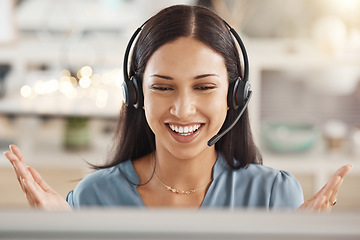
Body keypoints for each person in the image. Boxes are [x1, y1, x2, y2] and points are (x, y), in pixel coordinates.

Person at [4, 5, 352, 211]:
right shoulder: (94, 196)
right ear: (136, 94)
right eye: (163, 87)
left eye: (204, 87)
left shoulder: (274, 194)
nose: (183, 109)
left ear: (235, 95)